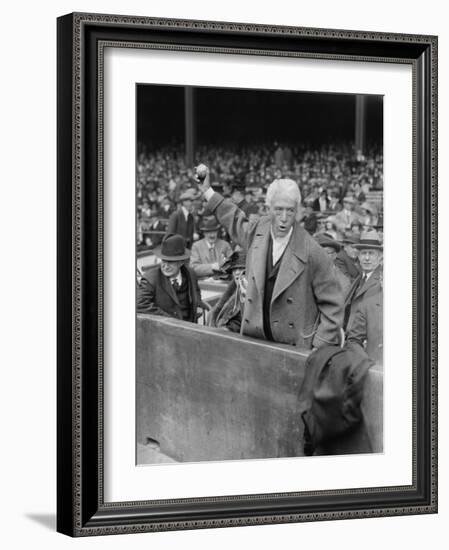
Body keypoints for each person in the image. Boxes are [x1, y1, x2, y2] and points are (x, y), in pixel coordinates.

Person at [195, 164, 344, 350]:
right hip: (254, 339)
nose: (284, 217)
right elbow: (232, 217)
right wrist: (207, 191)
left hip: (292, 347)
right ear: (268, 208)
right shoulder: (258, 230)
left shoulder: (312, 250)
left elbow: (333, 304)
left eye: (290, 210)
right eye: (278, 209)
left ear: (297, 210)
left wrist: (318, 347)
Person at [137, 234, 207, 323]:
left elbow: (196, 292)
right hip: (164, 331)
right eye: (163, 261)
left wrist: (198, 304)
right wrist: (169, 320)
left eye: (170, 262)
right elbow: (139, 304)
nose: (165, 267)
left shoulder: (191, 274)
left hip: (190, 328)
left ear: (181, 262)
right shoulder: (151, 278)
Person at [346, 230, 383, 330]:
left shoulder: (382, 281)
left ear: (380, 257)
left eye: (371, 253)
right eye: (363, 253)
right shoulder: (360, 277)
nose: (367, 258)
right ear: (358, 256)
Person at [208, 250, 247, 333]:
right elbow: (216, 310)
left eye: (241, 269)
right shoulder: (233, 290)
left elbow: (240, 321)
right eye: (234, 269)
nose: (237, 272)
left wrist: (226, 329)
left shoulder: (249, 294)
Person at [347, 290, 383, 365]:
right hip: (374, 370)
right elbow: (353, 341)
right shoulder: (367, 305)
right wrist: (367, 364)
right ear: (381, 280)